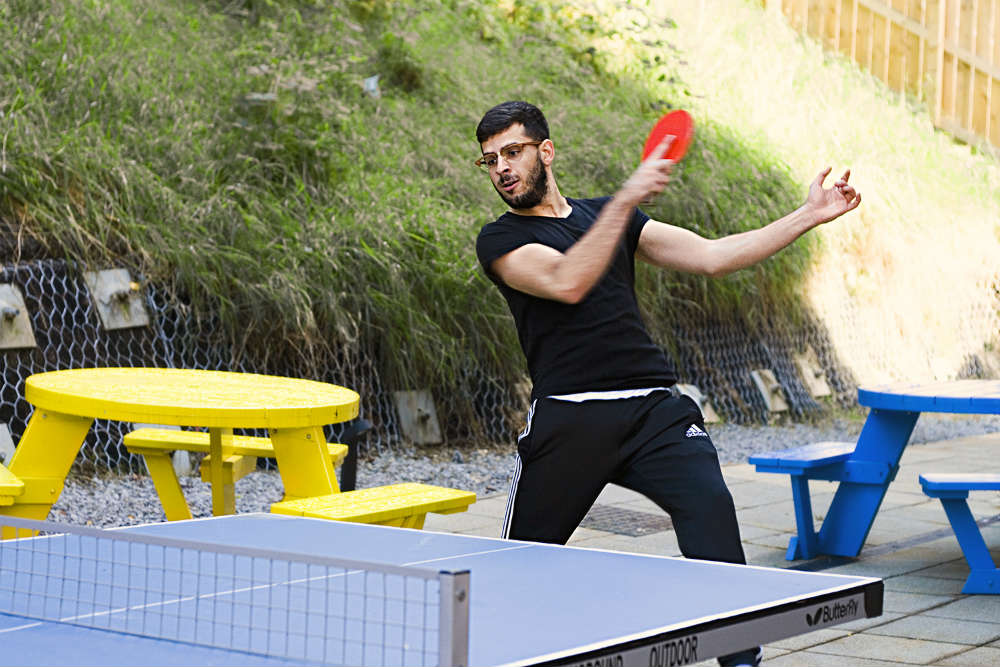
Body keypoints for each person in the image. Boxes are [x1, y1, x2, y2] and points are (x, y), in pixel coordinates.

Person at [473, 101, 860, 667]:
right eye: (489, 161)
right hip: (569, 418)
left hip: (655, 412)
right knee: (517, 566)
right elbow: (567, 280)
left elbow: (713, 256)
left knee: (711, 514)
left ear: (546, 151)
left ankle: (741, 660)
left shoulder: (611, 216)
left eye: (513, 152)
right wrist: (627, 197)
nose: (502, 168)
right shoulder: (500, 239)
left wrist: (808, 214)